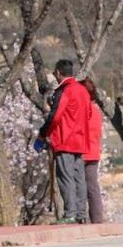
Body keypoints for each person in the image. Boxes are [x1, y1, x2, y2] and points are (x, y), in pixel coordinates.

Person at [37, 59, 91, 223]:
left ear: (59, 73)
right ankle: (82, 214)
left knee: (65, 177)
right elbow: (88, 114)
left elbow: (55, 116)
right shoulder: (83, 90)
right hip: (80, 140)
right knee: (79, 178)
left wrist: (42, 133)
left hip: (65, 140)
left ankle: (70, 214)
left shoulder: (64, 90)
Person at [80, 78, 107, 223]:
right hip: (94, 152)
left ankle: (80, 217)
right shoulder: (96, 111)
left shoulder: (83, 111)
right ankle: (97, 219)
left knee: (78, 186)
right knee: (93, 187)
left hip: (81, 152)